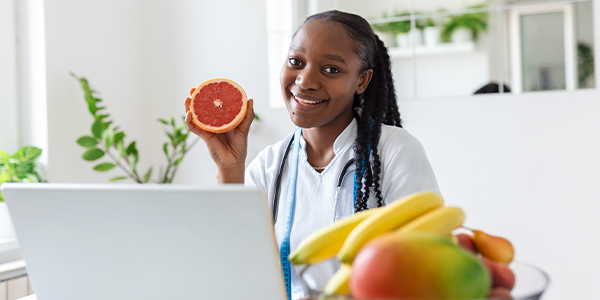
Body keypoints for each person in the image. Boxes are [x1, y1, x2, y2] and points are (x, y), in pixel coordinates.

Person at [185, 10, 439, 300]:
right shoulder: (269, 165)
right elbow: (230, 266)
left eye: (331, 69)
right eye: (296, 62)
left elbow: (425, 265)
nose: (305, 81)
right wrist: (229, 168)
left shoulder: (395, 151)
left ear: (362, 81)